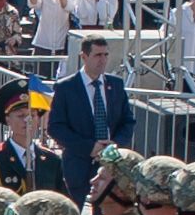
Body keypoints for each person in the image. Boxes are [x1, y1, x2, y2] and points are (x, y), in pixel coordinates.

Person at [44, 30, 133, 201]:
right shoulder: (66, 87)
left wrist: (115, 144)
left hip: (109, 163)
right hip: (77, 163)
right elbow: (55, 127)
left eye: (106, 54)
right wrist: (89, 147)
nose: (103, 59)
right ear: (84, 57)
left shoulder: (115, 85)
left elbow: (128, 121)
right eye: (97, 55)